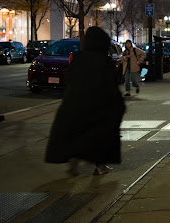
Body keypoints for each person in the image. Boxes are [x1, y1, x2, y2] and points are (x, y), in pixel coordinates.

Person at [45, 27, 125, 176]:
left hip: (75, 106)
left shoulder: (79, 58)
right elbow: (110, 85)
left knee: (78, 136)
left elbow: (68, 79)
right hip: (96, 108)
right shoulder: (104, 61)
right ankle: (100, 166)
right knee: (98, 138)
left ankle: (75, 162)